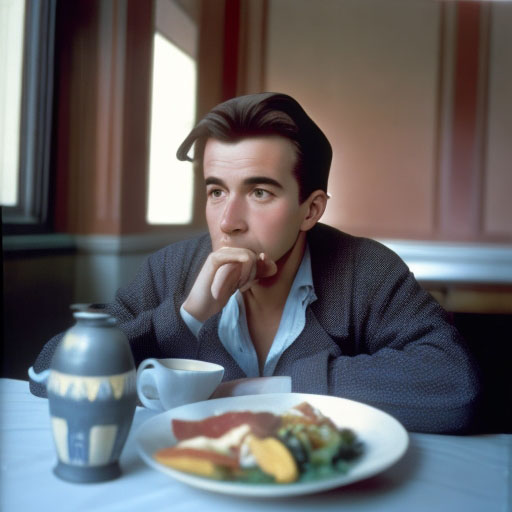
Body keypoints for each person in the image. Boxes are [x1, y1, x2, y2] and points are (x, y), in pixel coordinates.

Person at [30, 92, 480, 433]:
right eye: (216, 191)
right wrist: (186, 316)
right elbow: (48, 373)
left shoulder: (367, 271)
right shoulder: (169, 270)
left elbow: (456, 386)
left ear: (311, 209)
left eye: (259, 192)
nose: (228, 222)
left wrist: (269, 390)